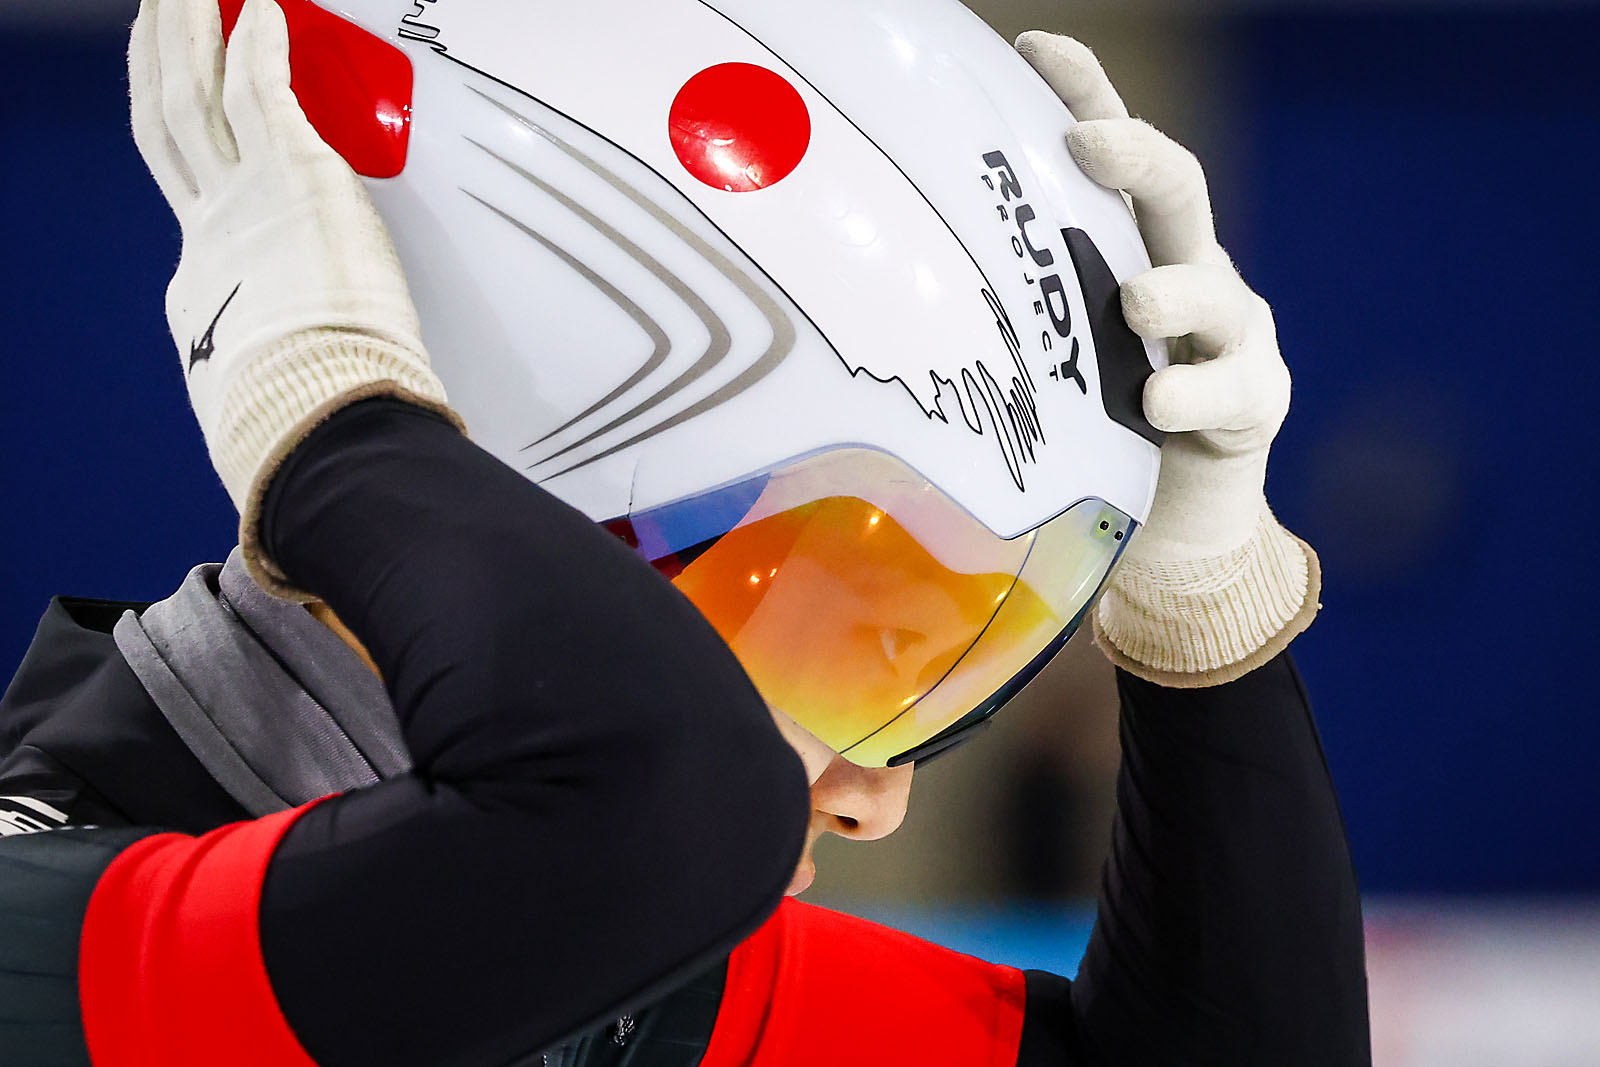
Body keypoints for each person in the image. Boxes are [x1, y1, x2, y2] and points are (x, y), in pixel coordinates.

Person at [0, 1, 1371, 1064]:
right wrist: (327, 419)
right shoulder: (46, 923)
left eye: (949, 650)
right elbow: (670, 807)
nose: (874, 794)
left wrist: (1208, 605)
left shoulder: (614, 964)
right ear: (480, 503)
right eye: (829, 607)